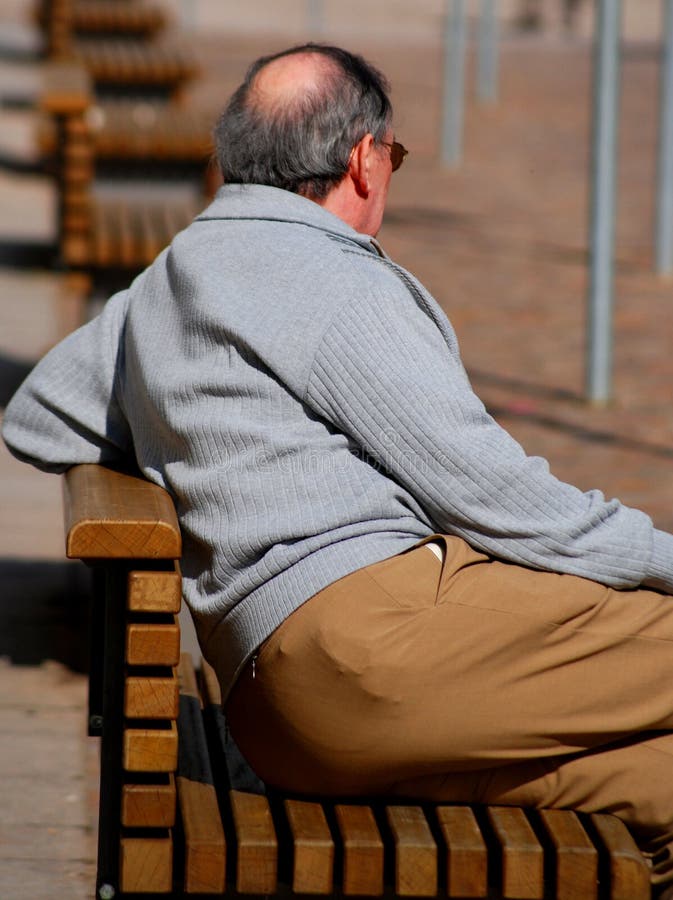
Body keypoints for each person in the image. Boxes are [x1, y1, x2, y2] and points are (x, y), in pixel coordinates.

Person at [4, 42, 673, 895]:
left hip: (284, 720)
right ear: (362, 159)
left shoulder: (177, 273)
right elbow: (504, 503)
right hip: (377, 648)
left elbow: (39, 414)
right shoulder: (335, 283)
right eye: (391, 155)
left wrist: (197, 432)